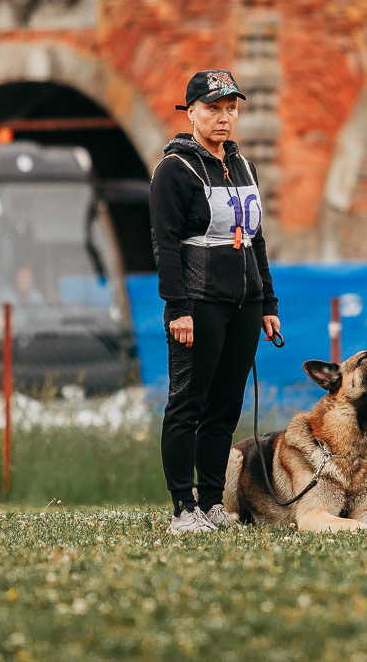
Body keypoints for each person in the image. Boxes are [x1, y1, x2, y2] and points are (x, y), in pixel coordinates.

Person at [150, 69, 281, 533]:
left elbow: (256, 238)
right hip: (198, 303)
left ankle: (211, 504)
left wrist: (268, 303)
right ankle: (182, 509)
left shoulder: (244, 165)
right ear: (191, 114)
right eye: (213, 109)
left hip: (244, 305)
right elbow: (165, 245)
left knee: (226, 406)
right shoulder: (173, 170)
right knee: (188, 404)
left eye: (231, 108)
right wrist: (178, 308)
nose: (224, 118)